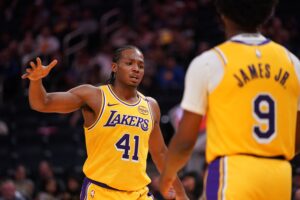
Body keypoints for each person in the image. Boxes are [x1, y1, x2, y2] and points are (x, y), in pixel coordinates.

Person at [159, 0, 300, 199]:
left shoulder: (210, 62)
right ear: (269, 13)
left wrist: (167, 175)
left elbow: (185, 141)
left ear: (221, 13)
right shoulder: (293, 63)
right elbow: (297, 136)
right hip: (279, 174)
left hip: (232, 171)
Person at [22, 45, 188, 200]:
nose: (136, 69)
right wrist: (36, 81)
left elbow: (160, 153)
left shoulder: (151, 105)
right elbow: (42, 103)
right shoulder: (94, 96)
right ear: (114, 67)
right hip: (101, 192)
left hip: (139, 193)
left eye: (141, 65)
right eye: (129, 63)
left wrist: (182, 196)